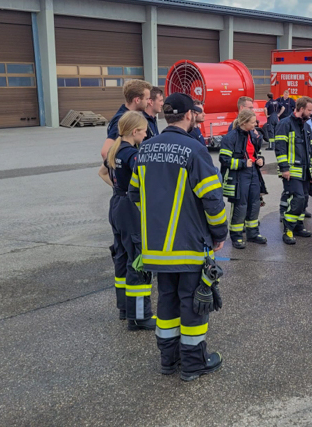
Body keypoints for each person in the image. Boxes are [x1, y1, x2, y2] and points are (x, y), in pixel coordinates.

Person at [128, 93, 228, 381]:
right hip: (188, 246)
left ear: (165, 116)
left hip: (156, 249)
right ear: (188, 115)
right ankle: (194, 363)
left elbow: (135, 194)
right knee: (194, 304)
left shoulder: (145, 149)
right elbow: (212, 199)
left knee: (167, 303)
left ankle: (168, 361)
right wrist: (219, 233)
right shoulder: (194, 150)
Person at [97, 111, 154, 330]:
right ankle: (139, 316)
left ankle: (124, 309)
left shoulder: (115, 150)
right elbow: (147, 182)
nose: (147, 133)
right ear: (134, 131)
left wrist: (120, 190)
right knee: (138, 261)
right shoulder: (133, 155)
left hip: (117, 205)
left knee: (121, 257)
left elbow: (102, 173)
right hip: (131, 209)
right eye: (144, 130)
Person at [274, 97, 312, 245]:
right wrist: (284, 169)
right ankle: (288, 230)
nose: (311, 113)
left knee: (304, 200)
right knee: (297, 199)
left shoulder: (307, 127)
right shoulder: (285, 124)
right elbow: (280, 148)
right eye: (309, 110)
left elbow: (311, 152)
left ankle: (299, 226)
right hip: (292, 171)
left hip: (306, 171)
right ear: (300, 109)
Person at [219, 109, 268, 249]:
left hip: (253, 173)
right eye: (252, 123)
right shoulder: (230, 137)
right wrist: (241, 163)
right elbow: (224, 159)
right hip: (239, 176)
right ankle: (236, 236)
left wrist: (260, 160)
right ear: (244, 122)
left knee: (254, 203)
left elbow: (254, 153)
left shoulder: (252, 135)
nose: (255, 125)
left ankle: (253, 233)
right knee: (241, 206)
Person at [101, 79, 152, 159]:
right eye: (147, 99)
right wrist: (119, 169)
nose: (149, 102)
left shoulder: (128, 116)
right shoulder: (123, 119)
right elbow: (105, 152)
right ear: (137, 100)